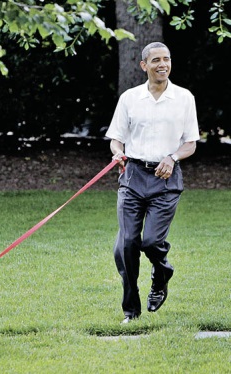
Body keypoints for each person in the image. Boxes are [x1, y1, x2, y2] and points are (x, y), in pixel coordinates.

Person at [105, 42, 200, 324]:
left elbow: (191, 143)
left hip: (166, 179)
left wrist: (172, 157)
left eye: (167, 59)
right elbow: (116, 138)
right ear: (144, 65)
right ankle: (130, 311)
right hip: (133, 176)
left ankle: (162, 273)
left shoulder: (184, 98)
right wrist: (118, 152)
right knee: (127, 245)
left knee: (151, 241)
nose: (163, 65)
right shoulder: (130, 98)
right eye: (156, 60)